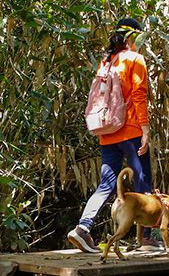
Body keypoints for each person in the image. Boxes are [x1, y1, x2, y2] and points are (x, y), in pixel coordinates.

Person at [67, 17, 157, 253]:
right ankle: (145, 237)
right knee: (142, 179)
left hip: (107, 132)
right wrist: (145, 129)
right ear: (131, 37)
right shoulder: (134, 60)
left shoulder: (105, 62)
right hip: (130, 131)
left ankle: (82, 228)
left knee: (106, 183)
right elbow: (139, 95)